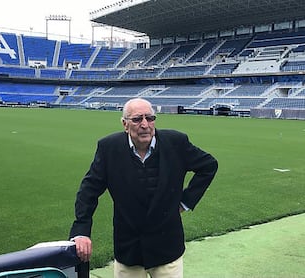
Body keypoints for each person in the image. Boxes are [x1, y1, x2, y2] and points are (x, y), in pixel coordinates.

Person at [69, 98, 218, 278]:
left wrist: (186, 202)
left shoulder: (176, 142)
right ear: (125, 124)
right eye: (137, 119)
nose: (145, 124)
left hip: (167, 248)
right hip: (129, 250)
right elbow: (89, 190)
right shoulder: (109, 148)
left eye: (150, 118)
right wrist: (81, 232)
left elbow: (209, 166)